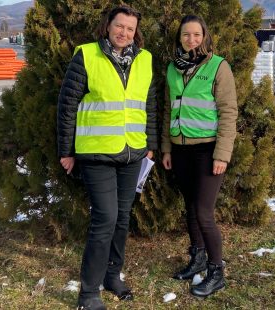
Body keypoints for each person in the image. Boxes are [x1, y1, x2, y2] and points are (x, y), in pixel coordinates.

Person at [57, 5, 157, 310]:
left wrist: (149, 144)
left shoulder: (145, 59)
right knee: (105, 219)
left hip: (132, 153)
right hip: (96, 153)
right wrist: (65, 150)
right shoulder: (86, 55)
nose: (124, 33)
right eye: (119, 26)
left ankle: (112, 276)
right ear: (108, 26)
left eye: (129, 28)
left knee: (122, 219)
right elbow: (67, 105)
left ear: (135, 31)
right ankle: (89, 292)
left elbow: (149, 105)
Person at [161, 15, 237, 297]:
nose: (191, 39)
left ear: (204, 36)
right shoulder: (172, 68)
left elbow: (228, 112)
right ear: (179, 37)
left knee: (204, 212)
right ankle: (198, 258)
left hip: (208, 151)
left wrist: (222, 155)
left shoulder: (218, 67)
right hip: (180, 150)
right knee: (190, 207)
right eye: (185, 35)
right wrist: (167, 148)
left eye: (196, 35)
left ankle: (217, 271)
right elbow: (169, 109)